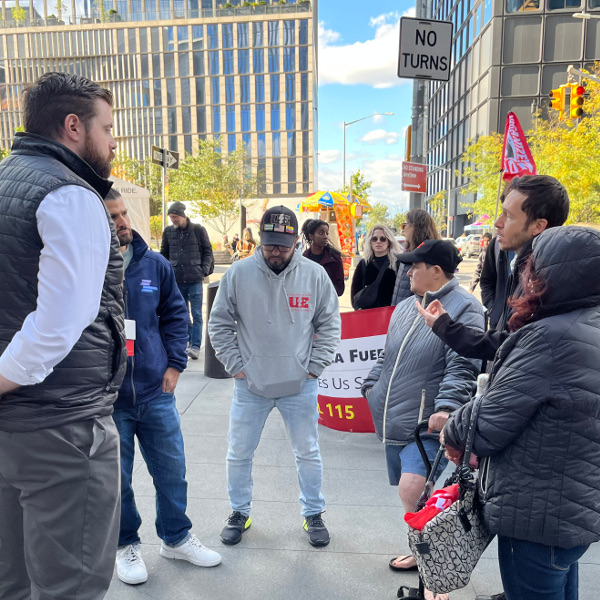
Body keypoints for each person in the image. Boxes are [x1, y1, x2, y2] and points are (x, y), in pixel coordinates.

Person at [0, 72, 127, 599]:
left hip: (16, 430)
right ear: (73, 127)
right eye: (108, 127)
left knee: (13, 581)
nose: (115, 141)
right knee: (69, 585)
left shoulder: (9, 178)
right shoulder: (69, 195)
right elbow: (58, 325)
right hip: (61, 427)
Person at [442, 226, 600, 600]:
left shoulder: (550, 337)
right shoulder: (588, 324)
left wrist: (452, 428)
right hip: (573, 508)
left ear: (547, 275)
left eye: (528, 268)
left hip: (537, 513)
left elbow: (486, 426)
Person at [104, 190, 222, 586]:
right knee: (116, 480)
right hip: (108, 400)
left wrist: (173, 365)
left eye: (123, 214)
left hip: (155, 391)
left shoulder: (154, 265)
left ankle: (176, 537)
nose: (122, 222)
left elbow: (176, 314)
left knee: (172, 472)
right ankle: (125, 544)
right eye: (112, 216)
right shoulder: (84, 266)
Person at [208, 206, 341, 548]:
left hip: (299, 384)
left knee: (307, 452)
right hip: (251, 384)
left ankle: (313, 513)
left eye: (282, 246)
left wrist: (315, 367)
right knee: (238, 453)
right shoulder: (238, 274)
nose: (275, 252)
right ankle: (239, 512)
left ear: (296, 241)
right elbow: (219, 323)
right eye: (269, 245)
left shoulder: (313, 275)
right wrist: (236, 365)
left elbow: (329, 323)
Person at [361, 240, 483, 600]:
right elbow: (387, 355)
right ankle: (422, 553)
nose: (409, 271)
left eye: (416, 265)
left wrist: (444, 408)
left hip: (427, 424)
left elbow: (463, 363)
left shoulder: (466, 308)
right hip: (394, 419)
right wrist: (371, 385)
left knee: (415, 491)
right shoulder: (405, 307)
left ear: (437, 271)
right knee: (413, 496)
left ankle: (435, 575)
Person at [417, 175, 570, 362]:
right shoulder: (519, 256)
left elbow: (516, 346)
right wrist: (495, 310)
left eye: (509, 216)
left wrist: (446, 327)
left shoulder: (552, 278)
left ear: (538, 226)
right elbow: (487, 282)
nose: (497, 223)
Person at [160, 201, 213, 360]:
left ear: (183, 215)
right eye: (171, 217)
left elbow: (207, 251)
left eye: (175, 217)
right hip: (176, 279)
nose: (173, 220)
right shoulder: (168, 232)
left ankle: (196, 345)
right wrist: (167, 271)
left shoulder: (198, 229)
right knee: (182, 313)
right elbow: (164, 254)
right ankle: (190, 342)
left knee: (197, 313)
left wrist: (202, 270)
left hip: (195, 278)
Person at [391, 209, 441, 305]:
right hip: (400, 311)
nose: (403, 230)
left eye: (404, 225)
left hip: (415, 314)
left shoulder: (429, 256)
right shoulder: (407, 251)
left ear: (415, 227)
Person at [350, 224, 401, 309]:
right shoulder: (364, 264)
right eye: (374, 239)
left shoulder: (397, 263)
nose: (378, 241)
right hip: (368, 315)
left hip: (390, 314)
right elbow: (355, 293)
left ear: (388, 242)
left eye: (383, 239)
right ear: (370, 242)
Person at [301, 218, 345, 296]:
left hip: (328, 304)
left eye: (327, 233)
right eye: (321, 233)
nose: (325, 237)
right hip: (307, 303)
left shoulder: (334, 258)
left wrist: (323, 290)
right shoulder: (303, 259)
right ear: (311, 236)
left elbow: (340, 288)